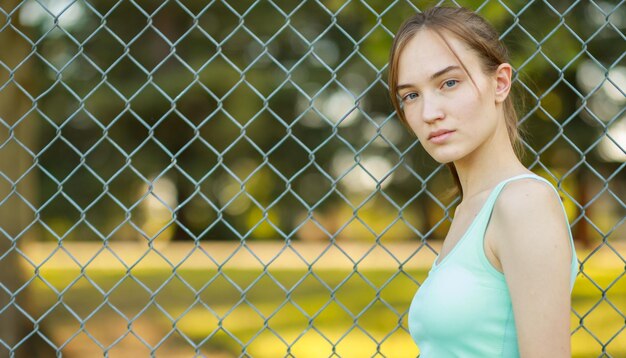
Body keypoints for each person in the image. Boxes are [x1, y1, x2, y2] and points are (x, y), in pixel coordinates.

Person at [387, 6, 578, 357]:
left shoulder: (523, 203)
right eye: (411, 95)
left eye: (449, 82)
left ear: (500, 83)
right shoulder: (471, 210)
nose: (429, 113)